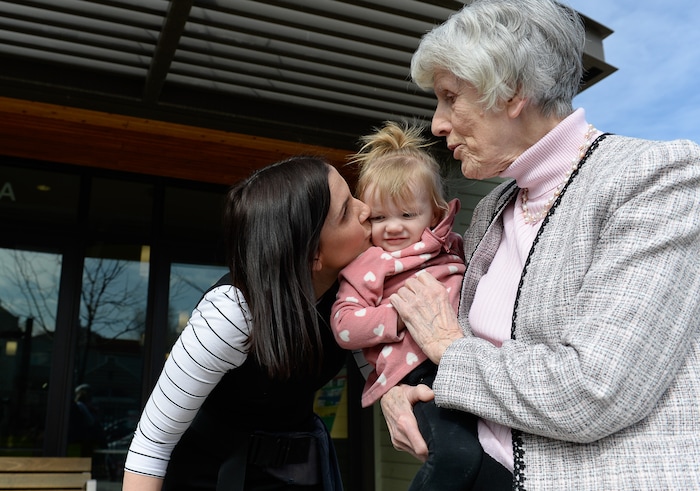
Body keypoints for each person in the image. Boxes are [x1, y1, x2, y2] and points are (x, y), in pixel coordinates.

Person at [380, 0, 700, 489]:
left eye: (449, 96)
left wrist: (447, 348)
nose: (438, 123)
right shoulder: (494, 208)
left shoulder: (655, 178)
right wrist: (416, 391)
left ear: (511, 92)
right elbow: (479, 361)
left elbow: (595, 391)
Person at [122, 156, 372, 491]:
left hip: (296, 470)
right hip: (211, 476)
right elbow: (151, 445)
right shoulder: (232, 315)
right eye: (346, 212)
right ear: (314, 254)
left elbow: (384, 376)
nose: (366, 209)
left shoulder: (353, 295)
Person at [331, 121, 480, 490]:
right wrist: (400, 317)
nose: (393, 228)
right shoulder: (369, 264)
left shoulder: (453, 245)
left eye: (407, 215)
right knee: (455, 456)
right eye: (379, 218)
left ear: (435, 213)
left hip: (466, 362)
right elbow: (344, 324)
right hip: (418, 374)